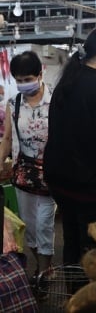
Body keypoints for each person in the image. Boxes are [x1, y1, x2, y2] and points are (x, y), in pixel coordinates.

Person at [43, 27, 96, 265]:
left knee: (71, 242)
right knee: (95, 249)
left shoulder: (66, 83)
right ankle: (93, 298)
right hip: (92, 187)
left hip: (62, 181)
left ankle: (73, 295)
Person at [0, 51, 56, 284]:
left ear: (40, 73)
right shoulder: (14, 103)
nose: (23, 84)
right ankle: (41, 267)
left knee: (45, 224)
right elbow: (7, 139)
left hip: (51, 173)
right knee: (29, 227)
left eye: (28, 78)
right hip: (24, 173)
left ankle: (43, 272)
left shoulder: (56, 100)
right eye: (19, 80)